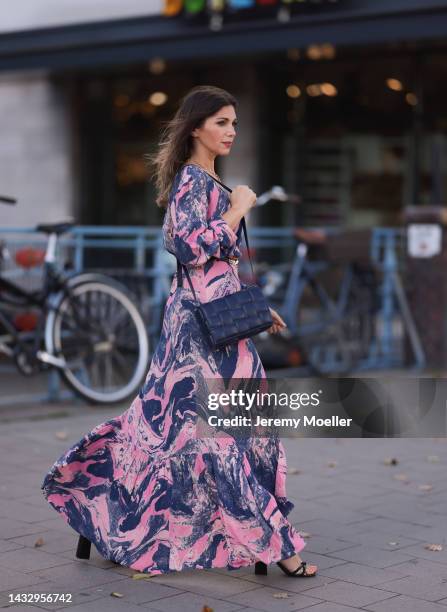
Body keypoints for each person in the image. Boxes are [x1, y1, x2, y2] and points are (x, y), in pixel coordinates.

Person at [41, 85, 317, 579]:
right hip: (196, 334)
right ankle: (275, 546)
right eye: (221, 123)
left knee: (202, 429)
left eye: (234, 123)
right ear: (196, 128)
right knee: (217, 434)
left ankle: (112, 513)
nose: (232, 131)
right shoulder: (194, 181)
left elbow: (216, 265)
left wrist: (256, 308)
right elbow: (187, 248)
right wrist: (239, 208)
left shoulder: (210, 180)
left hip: (220, 325)